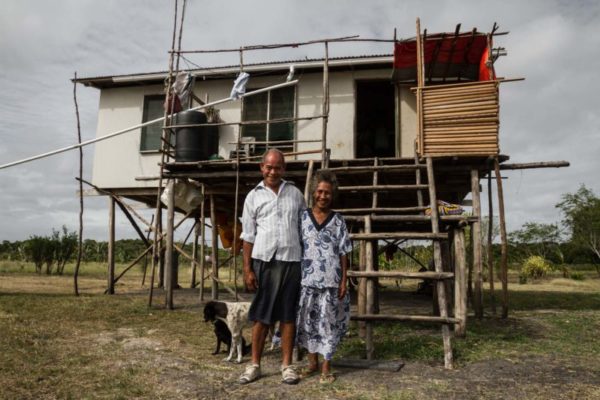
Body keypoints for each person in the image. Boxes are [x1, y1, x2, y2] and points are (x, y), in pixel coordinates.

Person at [238, 148, 306, 385]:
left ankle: (287, 366)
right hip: (264, 262)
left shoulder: (296, 194)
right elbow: (247, 236)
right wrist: (247, 269)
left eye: (277, 167)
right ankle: (254, 364)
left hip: (291, 261)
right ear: (261, 167)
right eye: (269, 167)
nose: (273, 171)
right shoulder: (253, 197)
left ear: (284, 169)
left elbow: (303, 230)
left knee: (288, 316)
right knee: (262, 316)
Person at [296, 170, 352, 384]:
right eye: (319, 191)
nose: (323, 196)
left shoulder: (338, 220)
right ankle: (312, 363)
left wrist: (344, 280)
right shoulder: (303, 217)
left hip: (331, 282)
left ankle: (326, 368)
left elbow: (344, 252)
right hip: (307, 282)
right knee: (309, 324)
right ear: (313, 192)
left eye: (327, 193)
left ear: (332, 195)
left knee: (328, 325)